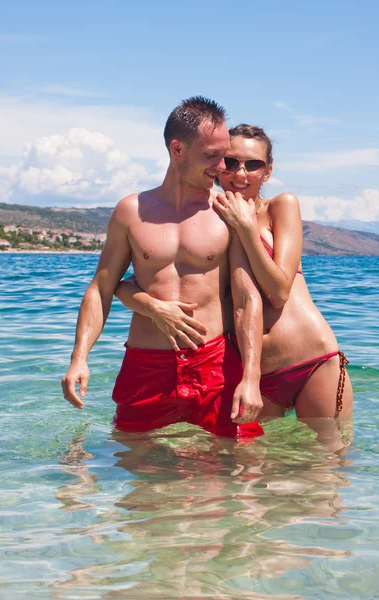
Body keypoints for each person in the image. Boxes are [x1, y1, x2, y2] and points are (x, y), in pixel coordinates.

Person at [115, 123, 353, 430]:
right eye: (231, 162)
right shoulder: (210, 219)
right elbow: (133, 282)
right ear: (216, 165)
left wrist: (246, 229)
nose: (241, 174)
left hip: (311, 361)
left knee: (325, 469)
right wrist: (152, 307)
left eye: (253, 165)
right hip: (253, 373)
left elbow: (279, 291)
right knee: (252, 470)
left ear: (267, 171)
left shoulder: (281, 207)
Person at [62, 98, 264, 440]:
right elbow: (102, 287)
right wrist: (79, 358)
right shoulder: (131, 211)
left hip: (213, 365)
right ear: (177, 149)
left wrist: (251, 377)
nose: (222, 167)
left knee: (236, 475)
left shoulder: (227, 211)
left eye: (224, 154)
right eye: (212, 155)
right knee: (137, 479)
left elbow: (246, 298)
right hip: (145, 367)